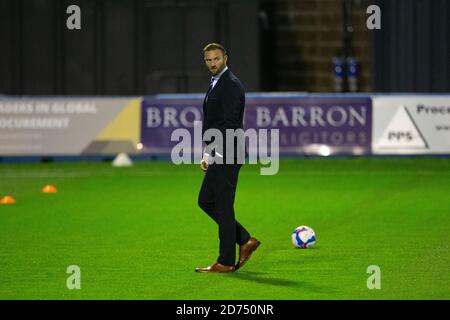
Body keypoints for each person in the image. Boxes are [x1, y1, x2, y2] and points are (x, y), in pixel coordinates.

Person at [195, 43, 260, 273]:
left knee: (222, 205)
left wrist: (216, 153)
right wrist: (207, 152)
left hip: (228, 152)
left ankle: (225, 260)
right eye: (208, 60)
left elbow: (230, 124)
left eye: (216, 59)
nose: (213, 63)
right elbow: (215, 123)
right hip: (221, 150)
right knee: (206, 201)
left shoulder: (230, 85)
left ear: (225, 59)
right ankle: (244, 239)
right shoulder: (217, 83)